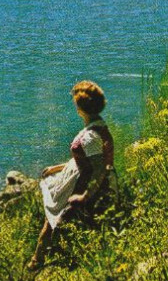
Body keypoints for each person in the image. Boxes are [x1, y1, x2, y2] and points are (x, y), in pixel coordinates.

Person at [27, 80, 115, 271]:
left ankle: (37, 262)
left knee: (53, 219)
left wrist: (84, 195)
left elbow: (99, 168)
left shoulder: (91, 136)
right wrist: (56, 168)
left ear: (81, 109)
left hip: (81, 184)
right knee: (55, 220)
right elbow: (81, 158)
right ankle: (43, 258)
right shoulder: (96, 126)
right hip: (73, 176)